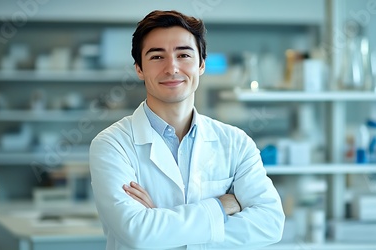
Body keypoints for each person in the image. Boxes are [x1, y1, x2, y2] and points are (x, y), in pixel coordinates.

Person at [89, 10, 285, 250]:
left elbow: (270, 223)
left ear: (201, 64)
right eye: (157, 57)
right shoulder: (111, 145)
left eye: (183, 55)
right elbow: (137, 232)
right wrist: (220, 207)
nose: (172, 68)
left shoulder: (236, 142)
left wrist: (162, 226)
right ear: (139, 69)